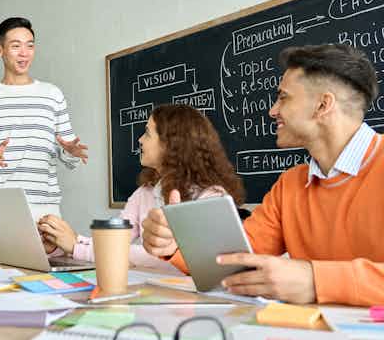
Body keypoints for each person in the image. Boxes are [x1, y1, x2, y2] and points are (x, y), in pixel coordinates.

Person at [142, 43, 384, 306]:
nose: (272, 110)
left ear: (323, 105)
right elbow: (233, 261)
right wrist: (174, 244)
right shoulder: (290, 185)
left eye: (283, 97)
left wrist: (316, 281)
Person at [38, 104, 245, 270]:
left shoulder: (212, 197)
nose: (139, 140)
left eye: (147, 133)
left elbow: (159, 257)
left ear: (171, 144)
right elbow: (112, 241)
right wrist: (59, 245)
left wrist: (75, 246)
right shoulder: (145, 193)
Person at [0, 17, 88, 224]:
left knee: (50, 259)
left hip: (44, 209)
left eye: (29, 46)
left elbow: (69, 155)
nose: (24, 53)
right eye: (15, 46)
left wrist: (71, 152)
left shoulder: (52, 94)